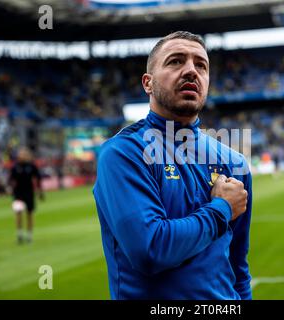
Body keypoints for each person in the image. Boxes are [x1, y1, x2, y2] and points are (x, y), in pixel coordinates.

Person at [93, 31, 252, 300]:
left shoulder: (234, 162)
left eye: (201, 65)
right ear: (148, 83)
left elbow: (238, 267)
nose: (191, 70)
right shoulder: (124, 153)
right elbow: (150, 250)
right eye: (176, 61)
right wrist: (222, 208)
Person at [9, 147, 44, 244]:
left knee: (29, 214)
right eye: (20, 154)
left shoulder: (32, 166)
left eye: (24, 154)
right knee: (18, 213)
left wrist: (40, 192)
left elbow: (38, 179)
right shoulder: (15, 167)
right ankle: (19, 234)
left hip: (29, 193)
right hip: (18, 193)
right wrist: (11, 191)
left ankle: (29, 236)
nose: (22, 156)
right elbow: (11, 180)